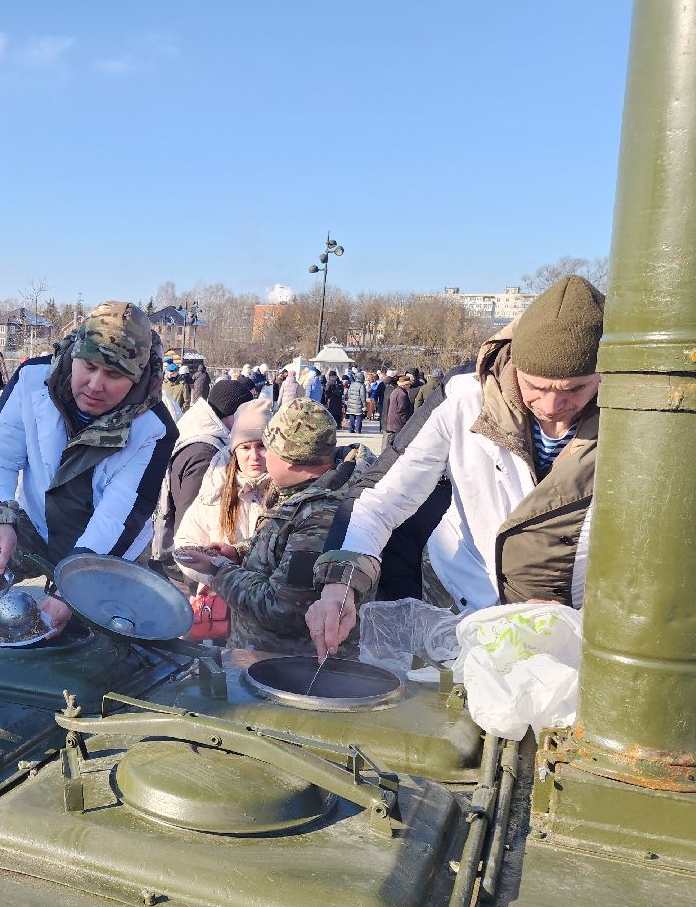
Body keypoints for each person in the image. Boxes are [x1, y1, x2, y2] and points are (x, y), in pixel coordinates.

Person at [307, 275, 607, 659]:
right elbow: (379, 498)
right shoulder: (465, 395)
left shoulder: (641, 417)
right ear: (514, 363)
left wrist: (589, 615)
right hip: (464, 604)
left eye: (574, 389)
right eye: (536, 386)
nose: (551, 407)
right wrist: (340, 584)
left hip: (576, 625)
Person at [0, 301, 177, 630]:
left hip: (111, 548)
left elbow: (119, 514)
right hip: (36, 525)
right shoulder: (30, 379)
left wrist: (75, 587)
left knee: (103, 640)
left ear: (136, 378)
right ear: (74, 354)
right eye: (89, 366)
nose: (96, 384)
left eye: (114, 374)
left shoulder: (154, 428)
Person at [175, 399, 368, 653]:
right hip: (268, 661)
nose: (259, 458)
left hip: (288, 671)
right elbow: (284, 546)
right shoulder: (304, 493)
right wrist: (240, 551)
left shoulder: (323, 516)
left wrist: (219, 569)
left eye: (266, 447)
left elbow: (280, 607)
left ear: (288, 460)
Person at [174, 398, 272, 584]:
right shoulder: (215, 488)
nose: (254, 456)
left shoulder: (284, 490)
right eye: (245, 447)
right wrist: (215, 577)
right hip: (222, 599)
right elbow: (185, 543)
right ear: (235, 451)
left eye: (261, 446)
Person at [159, 377, 254, 553]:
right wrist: (196, 571)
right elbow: (190, 517)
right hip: (189, 564)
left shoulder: (198, 431)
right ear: (232, 414)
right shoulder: (205, 454)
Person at [382, 372, 415, 448]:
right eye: (408, 385)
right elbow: (402, 411)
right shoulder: (402, 395)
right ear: (405, 385)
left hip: (393, 422)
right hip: (398, 424)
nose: (409, 387)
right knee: (396, 445)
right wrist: (406, 423)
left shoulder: (395, 391)